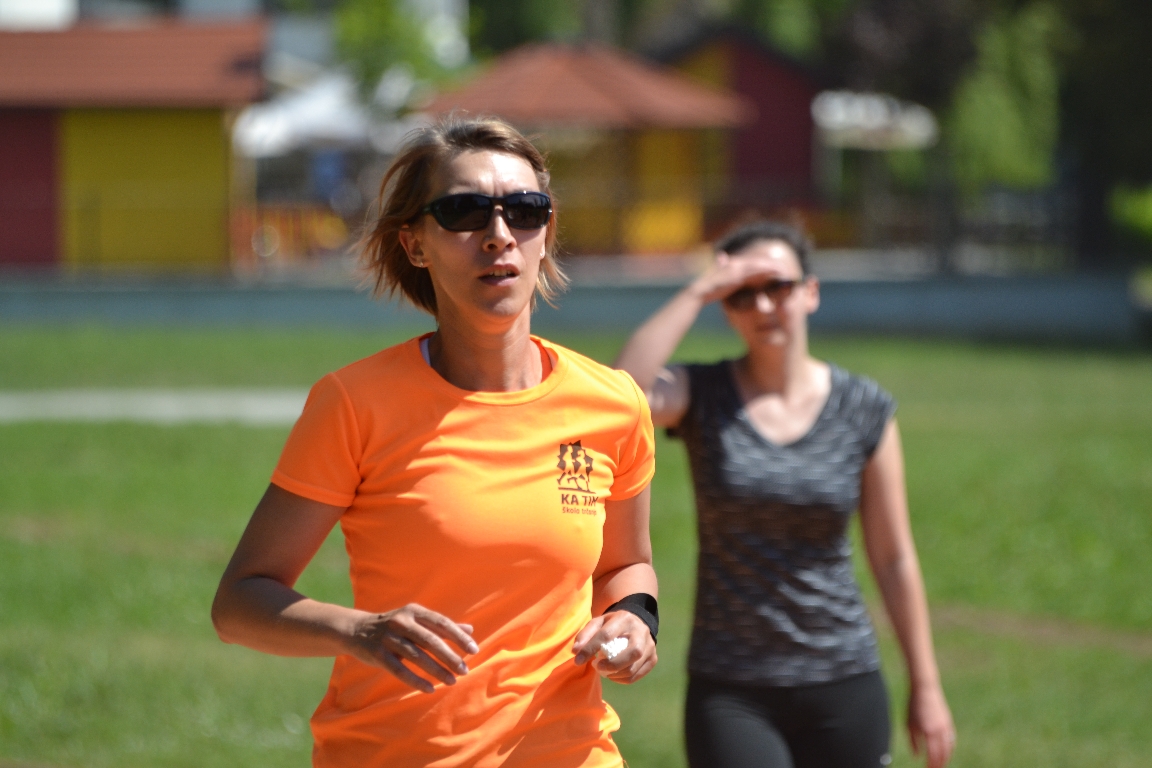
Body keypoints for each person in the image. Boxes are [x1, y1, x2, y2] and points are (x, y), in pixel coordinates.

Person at [211, 116, 660, 768]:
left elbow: (625, 566)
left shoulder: (613, 402)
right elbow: (239, 602)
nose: (499, 234)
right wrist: (361, 631)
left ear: (546, 233)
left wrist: (636, 618)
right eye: (463, 212)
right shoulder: (354, 403)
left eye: (524, 211)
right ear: (415, 243)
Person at [614, 220, 955, 768]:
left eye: (778, 286)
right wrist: (698, 291)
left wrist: (927, 684)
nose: (763, 305)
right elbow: (619, 398)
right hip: (732, 688)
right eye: (742, 293)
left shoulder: (863, 408)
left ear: (810, 292)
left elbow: (893, 559)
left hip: (843, 676)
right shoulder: (704, 394)